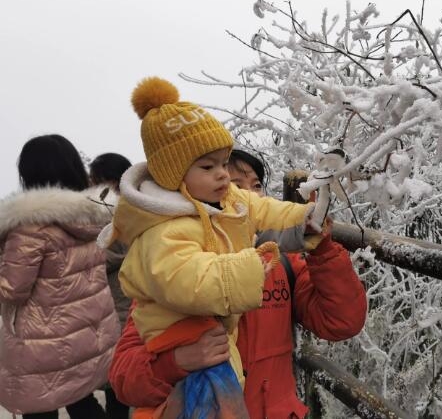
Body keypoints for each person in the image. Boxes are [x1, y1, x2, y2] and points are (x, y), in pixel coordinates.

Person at [98, 77, 319, 418]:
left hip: (211, 330)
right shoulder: (163, 229)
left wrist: (306, 217)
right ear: (173, 174)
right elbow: (186, 279)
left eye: (223, 162)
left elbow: (263, 208)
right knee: (205, 403)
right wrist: (246, 268)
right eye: (207, 167)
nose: (222, 176)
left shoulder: (223, 201)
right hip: (174, 331)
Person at [109, 148, 368, 418]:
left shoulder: (282, 264)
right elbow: (123, 377)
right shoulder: (175, 273)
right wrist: (173, 363)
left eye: (257, 186)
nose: (251, 196)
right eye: (235, 187)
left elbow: (342, 321)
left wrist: (322, 249)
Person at [0, 134, 121, 418]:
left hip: (42, 342)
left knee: (40, 408)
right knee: (82, 400)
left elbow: (12, 289)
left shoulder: (30, 228)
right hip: (87, 334)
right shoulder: (94, 216)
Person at [89, 152, 133, 419]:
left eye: (98, 182)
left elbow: (104, 257)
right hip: (117, 303)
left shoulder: (117, 214)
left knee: (115, 379)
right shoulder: (136, 208)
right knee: (115, 378)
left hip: (119, 303)